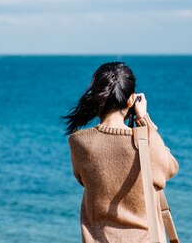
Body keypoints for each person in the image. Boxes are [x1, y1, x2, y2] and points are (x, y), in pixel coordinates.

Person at [62, 61, 179, 243]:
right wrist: (143, 119)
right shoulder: (146, 141)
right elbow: (170, 168)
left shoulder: (79, 142)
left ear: (98, 98)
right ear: (131, 100)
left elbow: (82, 179)